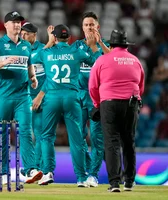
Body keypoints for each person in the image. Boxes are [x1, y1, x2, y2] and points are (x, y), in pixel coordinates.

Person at [31, 24, 101, 186]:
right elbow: (96, 61)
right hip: (72, 97)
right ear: (69, 38)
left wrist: (49, 42)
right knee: (77, 139)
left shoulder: (47, 52)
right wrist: (92, 46)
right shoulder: (76, 51)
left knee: (47, 136)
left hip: (52, 98)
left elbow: (33, 58)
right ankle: (82, 178)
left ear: (55, 37)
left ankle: (48, 172)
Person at [0, 11, 43, 184]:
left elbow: (29, 64)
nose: (17, 25)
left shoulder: (25, 46)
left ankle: (30, 169)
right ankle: (2, 172)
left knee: (25, 131)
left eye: (19, 22)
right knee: (2, 133)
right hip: (3, 96)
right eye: (14, 22)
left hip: (23, 96)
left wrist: (33, 77)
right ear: (6, 25)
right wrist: (3, 62)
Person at [89, 30, 145, 192]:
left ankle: (114, 183)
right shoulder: (135, 61)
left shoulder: (102, 60)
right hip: (131, 103)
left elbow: (93, 86)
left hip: (109, 103)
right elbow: (140, 86)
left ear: (111, 45)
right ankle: (129, 181)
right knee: (129, 141)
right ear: (126, 45)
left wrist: (97, 104)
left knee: (111, 142)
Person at [72, 11, 110, 187]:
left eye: (92, 24)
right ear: (82, 27)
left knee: (97, 138)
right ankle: (87, 169)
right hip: (78, 98)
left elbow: (110, 64)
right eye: (86, 24)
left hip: (97, 100)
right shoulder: (76, 46)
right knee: (78, 137)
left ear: (98, 27)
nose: (89, 27)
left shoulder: (105, 47)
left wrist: (96, 46)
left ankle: (93, 175)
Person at [20, 22, 45, 171]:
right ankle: (31, 167)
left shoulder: (42, 50)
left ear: (34, 34)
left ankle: (37, 167)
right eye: (21, 32)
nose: (22, 35)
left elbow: (51, 76)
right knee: (24, 133)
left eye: (26, 33)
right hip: (24, 99)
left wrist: (41, 96)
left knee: (40, 133)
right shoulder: (19, 50)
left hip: (40, 100)